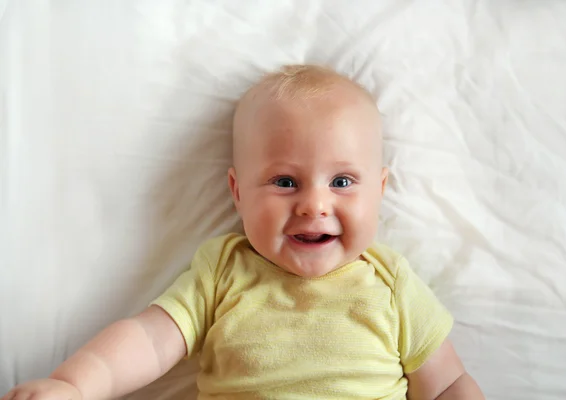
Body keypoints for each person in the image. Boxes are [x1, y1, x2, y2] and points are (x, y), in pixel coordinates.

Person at [2, 65, 485, 400]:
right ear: (237, 192)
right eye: (285, 182)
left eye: (342, 182)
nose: (315, 205)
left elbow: (445, 385)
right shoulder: (224, 270)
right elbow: (149, 340)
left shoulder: (389, 280)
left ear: (379, 189)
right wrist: (76, 384)